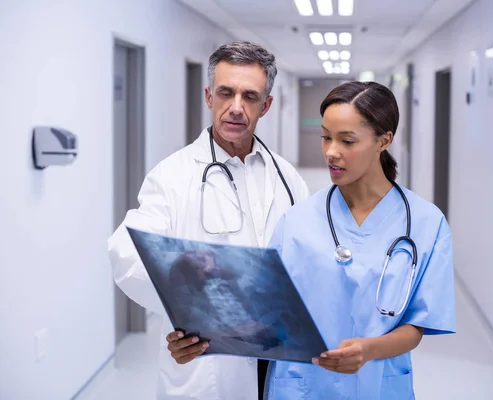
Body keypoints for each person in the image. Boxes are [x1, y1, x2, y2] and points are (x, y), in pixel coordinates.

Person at [168, 80, 456, 399]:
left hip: (378, 383)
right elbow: (263, 314)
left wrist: (369, 350)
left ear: (383, 141)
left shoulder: (426, 223)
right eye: (326, 137)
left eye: (347, 141)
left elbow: (416, 325)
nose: (331, 152)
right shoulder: (296, 221)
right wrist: (200, 341)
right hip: (300, 385)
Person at [107, 41, 310, 400]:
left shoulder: (288, 177)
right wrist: (187, 312)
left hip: (280, 355)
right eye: (225, 93)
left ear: (266, 105)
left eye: (250, 97)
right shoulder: (172, 175)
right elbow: (127, 251)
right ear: (208, 96)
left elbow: (307, 257)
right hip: (211, 357)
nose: (236, 108)